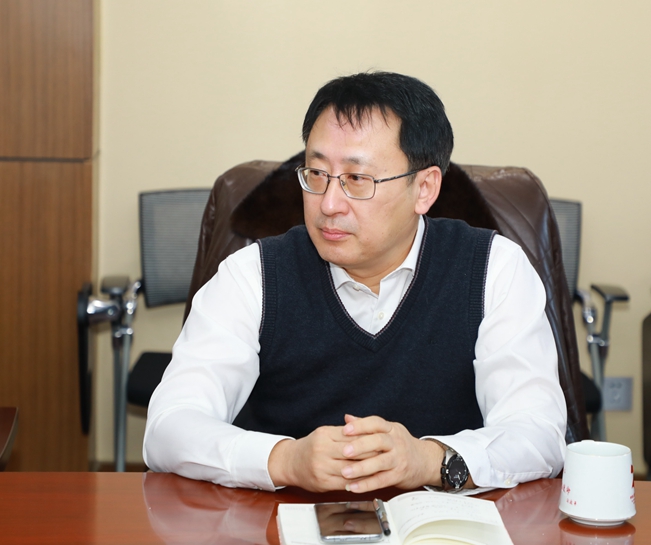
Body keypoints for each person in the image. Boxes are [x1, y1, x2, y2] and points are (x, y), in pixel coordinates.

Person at [143, 71, 567, 493]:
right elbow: (169, 427)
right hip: (282, 520)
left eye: (357, 179)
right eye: (316, 174)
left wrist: (428, 460)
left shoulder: (495, 269)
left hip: (445, 523)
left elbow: (539, 432)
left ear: (424, 188)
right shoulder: (252, 275)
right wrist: (284, 460)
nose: (328, 204)